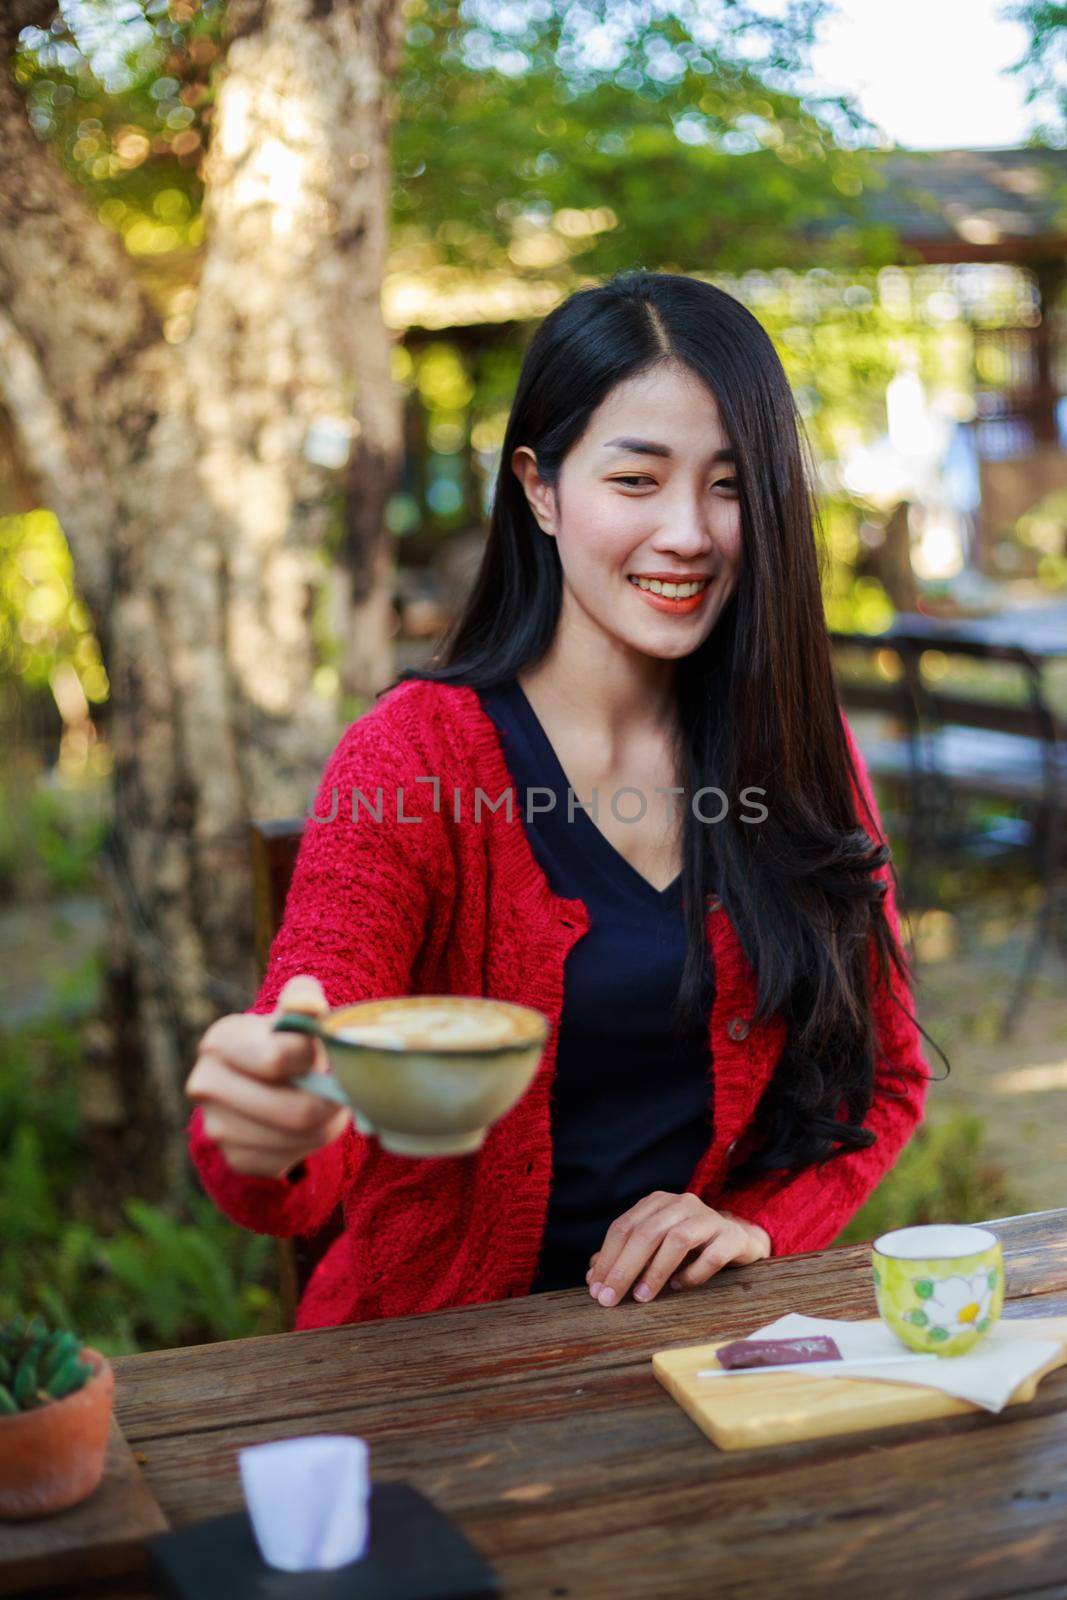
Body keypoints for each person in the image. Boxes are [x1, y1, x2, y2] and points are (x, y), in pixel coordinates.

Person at [185, 270, 935, 1331]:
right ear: (539, 488)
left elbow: (887, 1080)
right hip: (433, 1366)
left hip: (705, 1356)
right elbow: (308, 1054)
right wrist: (273, 1118)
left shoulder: (801, 750)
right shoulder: (412, 756)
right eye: (636, 480)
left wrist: (758, 1223)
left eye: (727, 485)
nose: (688, 532)